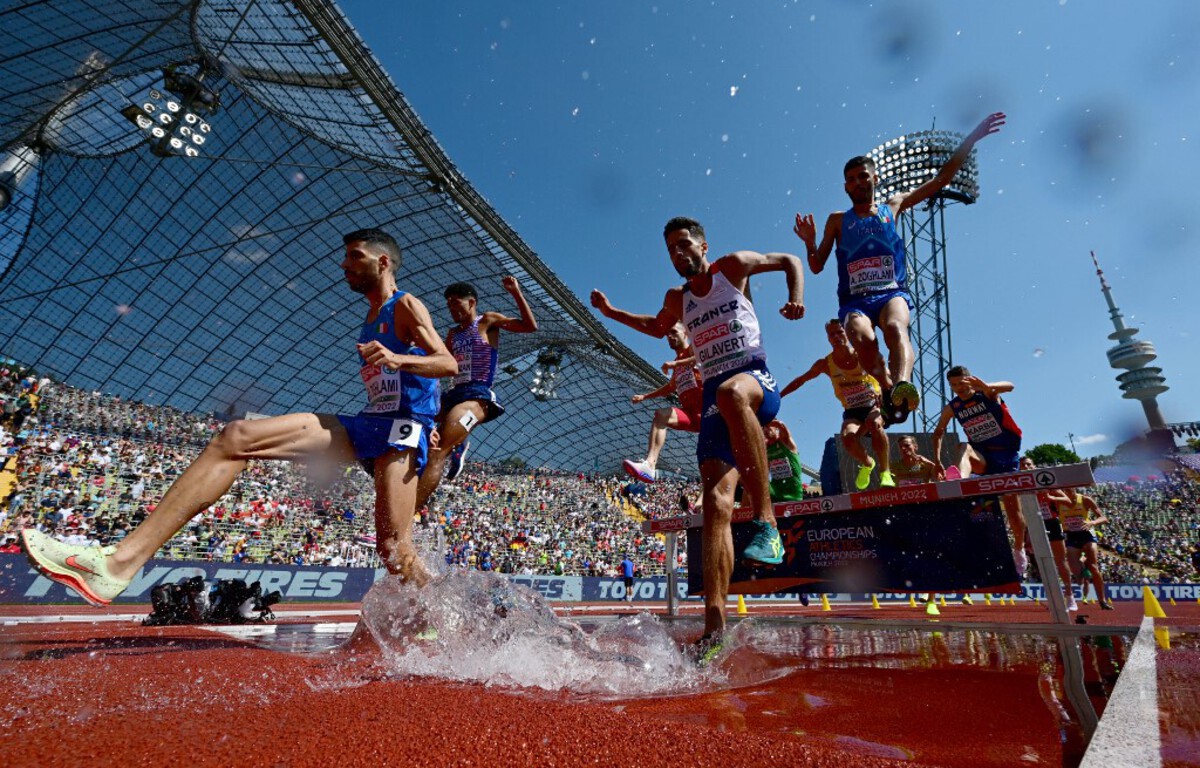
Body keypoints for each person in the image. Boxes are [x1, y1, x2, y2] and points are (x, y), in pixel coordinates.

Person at [21, 228, 457, 605]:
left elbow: (447, 364)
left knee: (395, 552)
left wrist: (399, 360)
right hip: (369, 422)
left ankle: (447, 610)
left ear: (382, 262)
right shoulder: (370, 317)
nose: (344, 265)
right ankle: (115, 565)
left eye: (354, 257)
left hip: (404, 429)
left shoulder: (406, 305)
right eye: (344, 257)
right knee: (235, 437)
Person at [590, 215, 804, 645]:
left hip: (753, 379)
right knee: (715, 505)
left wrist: (795, 298)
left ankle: (767, 524)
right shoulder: (678, 297)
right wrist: (610, 312)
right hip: (714, 401)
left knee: (730, 393)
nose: (677, 253)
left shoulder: (733, 267)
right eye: (670, 249)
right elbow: (654, 326)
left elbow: (789, 259)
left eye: (684, 244)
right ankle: (714, 628)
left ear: (704, 247)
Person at [794, 113, 1006, 423]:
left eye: (863, 176)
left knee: (895, 328)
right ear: (845, 187)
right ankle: (888, 386)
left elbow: (939, 181)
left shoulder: (892, 206)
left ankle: (903, 382)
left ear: (874, 178)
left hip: (891, 292)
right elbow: (815, 266)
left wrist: (970, 140)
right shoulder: (838, 220)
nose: (857, 183)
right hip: (855, 301)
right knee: (859, 335)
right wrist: (810, 242)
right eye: (851, 179)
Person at [415, 276, 538, 510]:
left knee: (439, 451)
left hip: (476, 394)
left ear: (471, 302)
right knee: (413, 430)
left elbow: (530, 326)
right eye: (448, 303)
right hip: (452, 394)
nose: (451, 308)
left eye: (456, 302)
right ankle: (455, 448)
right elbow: (441, 361)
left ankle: (414, 511)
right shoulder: (453, 334)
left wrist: (516, 293)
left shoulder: (487, 321)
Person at [931, 365, 1027, 574]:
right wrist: (937, 460)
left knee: (1014, 515)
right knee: (963, 447)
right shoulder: (952, 407)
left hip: (1007, 457)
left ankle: (1019, 550)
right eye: (953, 385)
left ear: (970, 380)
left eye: (962, 383)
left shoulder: (987, 393)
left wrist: (985, 385)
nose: (958, 388)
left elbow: (1010, 386)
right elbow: (937, 433)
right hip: (983, 457)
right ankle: (959, 486)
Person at [780, 319, 893, 490]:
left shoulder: (862, 354)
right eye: (831, 334)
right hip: (852, 412)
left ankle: (885, 472)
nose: (836, 336)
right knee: (847, 438)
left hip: (873, 405)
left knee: (876, 425)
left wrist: (883, 393)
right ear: (828, 339)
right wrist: (779, 396)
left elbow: (886, 374)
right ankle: (868, 463)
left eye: (839, 332)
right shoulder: (825, 364)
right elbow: (801, 380)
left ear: (847, 333)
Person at [622, 323, 702, 483]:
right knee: (661, 415)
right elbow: (671, 387)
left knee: (713, 463)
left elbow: (703, 355)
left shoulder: (693, 349)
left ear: (685, 333)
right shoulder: (677, 361)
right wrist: (645, 396)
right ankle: (650, 465)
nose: (669, 336)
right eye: (667, 334)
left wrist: (676, 364)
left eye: (674, 332)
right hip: (691, 415)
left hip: (711, 413)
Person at [1020, 456, 1077, 612]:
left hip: (1050, 521)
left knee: (1060, 560)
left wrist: (1050, 497)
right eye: (1023, 465)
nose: (1026, 467)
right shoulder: (1018, 484)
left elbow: (1068, 501)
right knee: (1041, 562)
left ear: (1034, 466)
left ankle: (1070, 596)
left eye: (1028, 464)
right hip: (1032, 523)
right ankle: (1054, 597)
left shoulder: (1044, 481)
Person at [1059, 490, 1114, 610]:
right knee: (1077, 573)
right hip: (1071, 536)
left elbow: (1104, 518)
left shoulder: (1085, 500)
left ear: (1074, 489)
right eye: (1065, 491)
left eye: (1070, 490)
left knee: (1093, 567)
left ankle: (1102, 601)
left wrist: (1092, 522)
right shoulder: (1058, 502)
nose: (1068, 493)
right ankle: (1083, 568)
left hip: (1087, 534)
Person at [764, 420, 806, 502]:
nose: (765, 430)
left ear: (775, 428)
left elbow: (781, 425)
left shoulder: (784, 441)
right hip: (776, 492)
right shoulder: (765, 448)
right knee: (751, 480)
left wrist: (765, 418)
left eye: (768, 427)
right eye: (763, 427)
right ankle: (746, 511)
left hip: (793, 493)